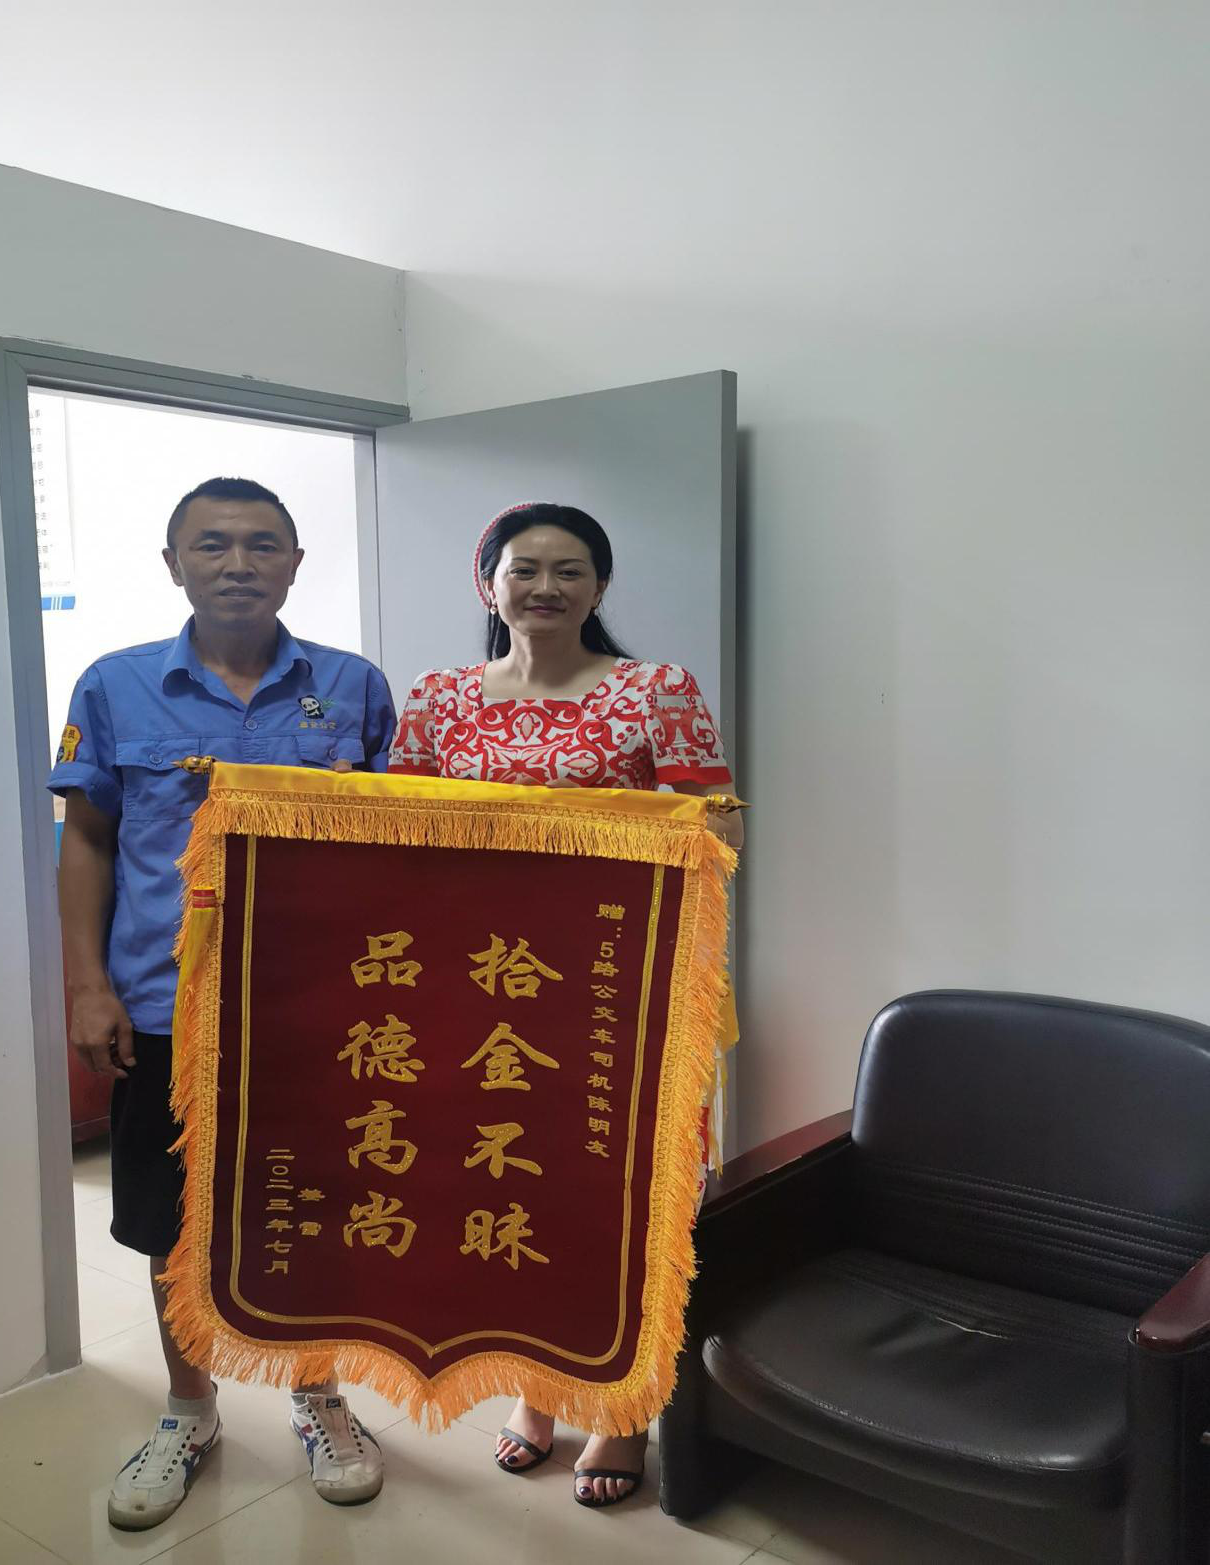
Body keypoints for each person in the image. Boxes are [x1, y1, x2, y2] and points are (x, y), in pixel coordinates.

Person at [49, 477, 397, 1531]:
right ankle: (189, 1407)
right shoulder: (113, 685)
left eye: (261, 544)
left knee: (314, 1209)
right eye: (212, 544)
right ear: (174, 564)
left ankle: (318, 1394)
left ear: (294, 564)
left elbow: (403, 841)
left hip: (321, 1011)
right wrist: (87, 986)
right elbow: (89, 842)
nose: (237, 562)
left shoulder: (353, 686)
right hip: (167, 1009)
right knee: (170, 1219)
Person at [388, 500, 743, 1508]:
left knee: (623, 1194)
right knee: (506, 1185)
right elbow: (396, 838)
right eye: (524, 568)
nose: (545, 586)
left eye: (569, 569)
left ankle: (623, 1406)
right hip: (482, 990)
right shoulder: (439, 698)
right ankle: (535, 1387)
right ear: (487, 583)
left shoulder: (655, 690)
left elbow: (718, 831)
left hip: (613, 988)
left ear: (599, 585)